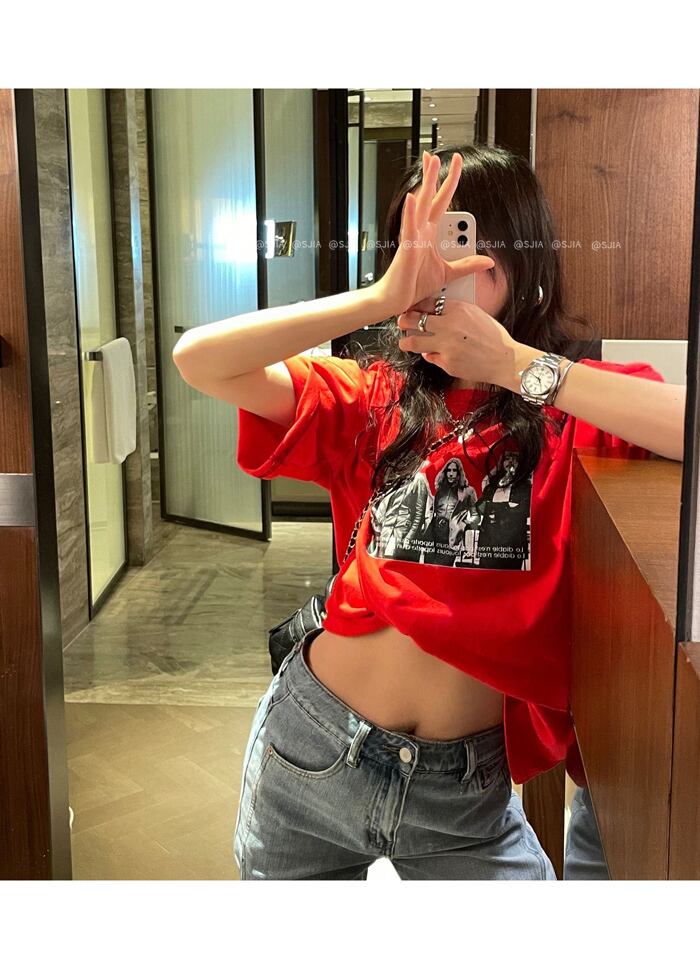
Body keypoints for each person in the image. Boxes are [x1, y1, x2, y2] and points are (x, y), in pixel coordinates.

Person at [173, 144, 685, 880]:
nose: (436, 273)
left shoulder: (573, 403)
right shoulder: (372, 397)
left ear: (520, 259)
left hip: (462, 792)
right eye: (416, 246)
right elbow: (199, 358)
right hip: (313, 749)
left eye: (460, 243)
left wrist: (512, 365)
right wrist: (376, 299)